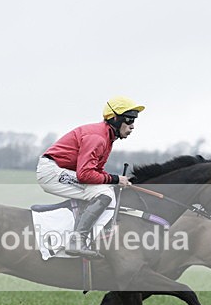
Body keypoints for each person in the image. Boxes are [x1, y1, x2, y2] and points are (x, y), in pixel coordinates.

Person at [36, 96, 144, 258]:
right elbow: (85, 174)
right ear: (114, 119)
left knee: (106, 189)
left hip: (60, 170)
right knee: (104, 194)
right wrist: (115, 179)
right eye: (129, 120)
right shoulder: (98, 137)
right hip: (52, 172)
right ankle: (76, 241)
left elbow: (97, 171)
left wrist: (115, 181)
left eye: (134, 120)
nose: (132, 126)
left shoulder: (107, 137)